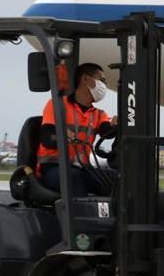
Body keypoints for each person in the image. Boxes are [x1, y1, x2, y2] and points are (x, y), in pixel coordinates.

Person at [37, 63, 117, 197]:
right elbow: (46, 136)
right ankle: (83, 217)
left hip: (82, 168)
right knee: (74, 178)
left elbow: (105, 131)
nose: (104, 86)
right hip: (53, 167)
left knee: (115, 179)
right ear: (85, 80)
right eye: (102, 81)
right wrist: (59, 135)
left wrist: (116, 126)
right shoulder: (57, 105)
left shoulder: (98, 114)